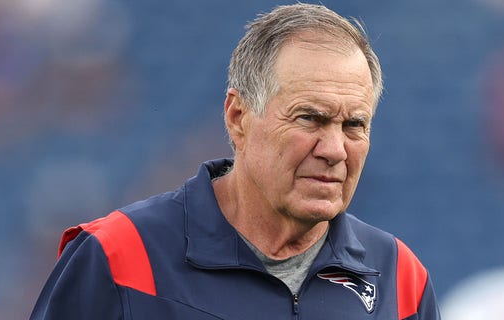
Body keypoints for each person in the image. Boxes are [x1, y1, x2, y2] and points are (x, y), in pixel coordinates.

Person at [31, 3, 440, 319]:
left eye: (354, 125)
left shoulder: (400, 281)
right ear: (238, 118)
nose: (334, 149)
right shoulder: (118, 255)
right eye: (309, 118)